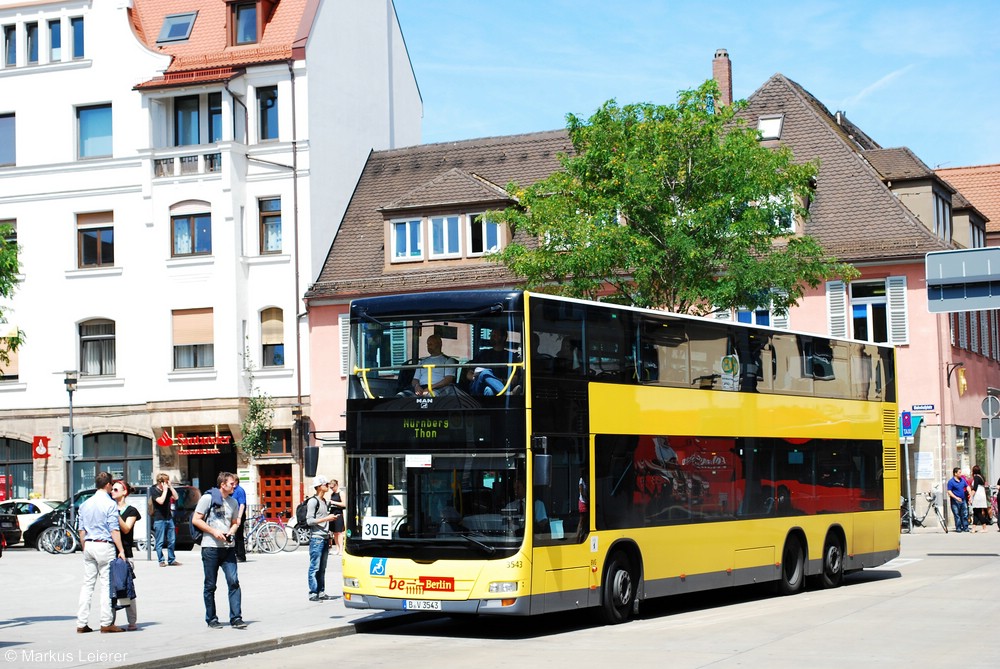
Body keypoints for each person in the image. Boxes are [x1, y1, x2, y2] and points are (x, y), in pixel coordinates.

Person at [191, 472, 246, 629]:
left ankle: (236, 618)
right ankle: (211, 619)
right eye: (231, 484)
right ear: (222, 484)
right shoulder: (207, 499)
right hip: (211, 547)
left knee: (233, 582)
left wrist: (232, 531)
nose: (234, 486)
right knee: (210, 585)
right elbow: (196, 519)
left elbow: (235, 522)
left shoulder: (233, 502)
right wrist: (214, 531)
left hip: (228, 548)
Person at [75, 471, 126, 633]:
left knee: (87, 585)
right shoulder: (110, 504)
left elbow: (81, 530)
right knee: (106, 585)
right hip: (104, 545)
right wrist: (121, 550)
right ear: (108, 485)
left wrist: (85, 546)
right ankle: (106, 623)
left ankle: (81, 623)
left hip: (89, 544)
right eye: (112, 485)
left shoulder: (85, 504)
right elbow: (114, 530)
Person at [111, 480, 140, 631]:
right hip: (110, 553)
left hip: (126, 554)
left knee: (126, 587)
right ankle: (110, 621)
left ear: (124, 492)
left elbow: (127, 529)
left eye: (116, 489)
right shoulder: (108, 508)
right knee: (112, 589)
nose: (112, 492)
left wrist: (114, 513)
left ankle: (132, 620)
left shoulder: (131, 511)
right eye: (112, 490)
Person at [305, 476, 339, 601]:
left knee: (322, 567)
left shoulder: (324, 501)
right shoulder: (313, 501)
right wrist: (327, 518)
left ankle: (321, 591)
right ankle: (313, 592)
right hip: (316, 538)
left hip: (324, 537)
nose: (328, 486)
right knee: (315, 566)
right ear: (319, 486)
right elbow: (309, 521)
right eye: (325, 484)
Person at [152, 472, 179, 567]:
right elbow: (161, 501)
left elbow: (176, 497)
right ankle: (161, 560)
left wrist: (170, 487)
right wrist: (164, 490)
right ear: (161, 482)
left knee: (172, 540)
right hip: (159, 519)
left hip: (168, 518)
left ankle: (171, 559)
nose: (168, 483)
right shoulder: (154, 490)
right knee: (160, 541)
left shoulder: (168, 489)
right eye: (166, 481)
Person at [946, 467, 970, 533]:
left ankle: (965, 527)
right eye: (959, 472)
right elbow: (949, 491)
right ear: (955, 473)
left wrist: (969, 492)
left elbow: (967, 486)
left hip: (963, 499)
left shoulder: (962, 480)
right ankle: (958, 527)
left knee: (965, 513)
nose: (960, 474)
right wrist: (956, 498)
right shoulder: (951, 482)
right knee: (957, 514)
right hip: (955, 501)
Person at [970, 465, 991, 532]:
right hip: (982, 495)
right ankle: (974, 528)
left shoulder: (976, 477)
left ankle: (984, 527)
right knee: (976, 512)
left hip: (977, 496)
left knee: (978, 512)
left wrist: (971, 496)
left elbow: (975, 488)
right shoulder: (981, 477)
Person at [328, 479, 347, 554]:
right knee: (334, 532)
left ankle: (341, 549)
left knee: (339, 532)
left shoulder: (341, 493)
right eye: (330, 488)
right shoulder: (332, 494)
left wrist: (334, 502)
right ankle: (337, 549)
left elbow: (344, 504)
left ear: (336, 485)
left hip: (339, 513)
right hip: (333, 513)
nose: (332, 489)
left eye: (332, 487)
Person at [231, 479, 247, 562]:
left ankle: (241, 556)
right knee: (235, 536)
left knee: (239, 536)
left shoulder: (239, 490)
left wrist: (239, 517)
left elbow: (242, 504)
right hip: (234, 515)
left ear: (236, 481)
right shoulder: (233, 490)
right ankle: (235, 553)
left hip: (239, 515)